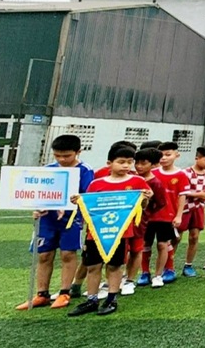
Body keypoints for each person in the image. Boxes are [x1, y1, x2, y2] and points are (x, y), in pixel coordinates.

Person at [67, 145, 152, 317]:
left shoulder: (137, 182)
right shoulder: (96, 184)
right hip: (95, 234)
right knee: (93, 266)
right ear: (109, 163)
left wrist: (145, 199)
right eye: (121, 162)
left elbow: (142, 207)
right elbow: (88, 206)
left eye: (129, 162)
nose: (126, 166)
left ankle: (111, 298)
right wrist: (78, 201)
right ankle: (92, 299)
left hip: (120, 233)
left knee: (114, 266)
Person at [16, 134, 96, 311]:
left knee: (67, 254)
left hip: (71, 220)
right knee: (44, 255)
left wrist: (71, 203)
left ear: (78, 152)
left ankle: (64, 292)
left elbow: (88, 196)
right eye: (57, 155)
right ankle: (41, 294)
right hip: (47, 219)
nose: (62, 159)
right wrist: (37, 208)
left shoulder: (85, 170)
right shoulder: (48, 170)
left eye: (66, 156)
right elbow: (39, 193)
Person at [146, 141, 191, 285]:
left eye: (168, 154)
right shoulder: (152, 173)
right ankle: (145, 273)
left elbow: (182, 196)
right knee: (145, 245)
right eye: (161, 155)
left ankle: (162, 273)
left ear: (177, 155)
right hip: (149, 216)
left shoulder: (181, 175)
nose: (164, 158)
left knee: (163, 244)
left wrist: (179, 215)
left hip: (167, 216)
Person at [125, 148, 166, 294]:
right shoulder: (132, 179)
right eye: (137, 163)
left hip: (148, 221)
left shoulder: (156, 183)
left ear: (153, 165)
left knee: (142, 248)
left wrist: (147, 213)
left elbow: (161, 203)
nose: (139, 166)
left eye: (143, 163)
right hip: (129, 221)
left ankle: (136, 279)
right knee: (129, 249)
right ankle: (127, 276)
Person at [177, 146, 205, 277]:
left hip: (199, 208)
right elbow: (181, 191)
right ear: (197, 158)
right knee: (176, 237)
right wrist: (199, 194)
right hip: (184, 207)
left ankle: (188, 265)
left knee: (194, 236)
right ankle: (168, 266)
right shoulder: (185, 173)